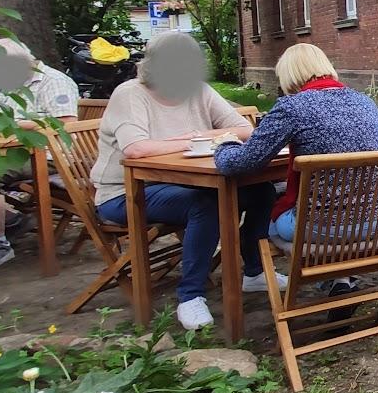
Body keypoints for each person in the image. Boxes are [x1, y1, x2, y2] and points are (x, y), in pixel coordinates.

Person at [91, 31, 284, 331]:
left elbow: (243, 129)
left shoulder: (199, 90)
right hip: (125, 193)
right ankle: (190, 296)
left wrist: (199, 137)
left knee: (261, 190)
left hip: (190, 182)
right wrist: (192, 140)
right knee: (205, 205)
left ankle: (254, 273)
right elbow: (137, 148)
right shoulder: (130, 94)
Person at [213, 43, 378, 308]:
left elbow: (243, 163)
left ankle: (258, 275)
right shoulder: (366, 102)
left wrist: (226, 144)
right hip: (376, 221)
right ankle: (339, 280)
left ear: (290, 74)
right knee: (331, 201)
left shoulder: (291, 108)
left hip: (324, 226)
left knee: (267, 215)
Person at [0, 38, 80, 272]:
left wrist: (13, 124)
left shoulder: (53, 81)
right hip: (9, 151)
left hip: (48, 155)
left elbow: (65, 125)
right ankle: (11, 220)